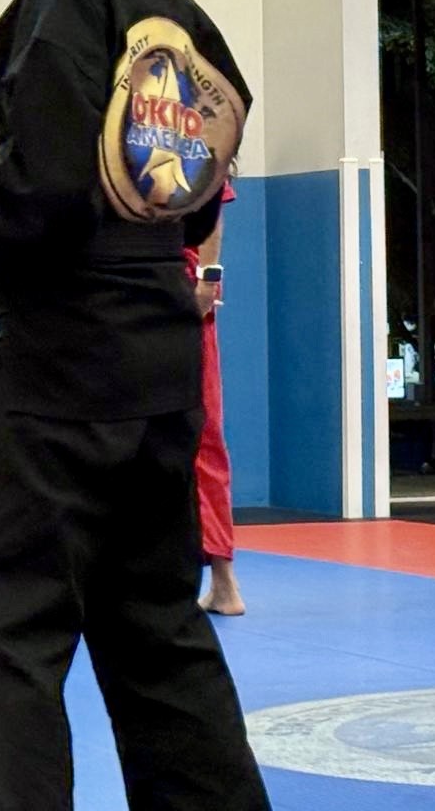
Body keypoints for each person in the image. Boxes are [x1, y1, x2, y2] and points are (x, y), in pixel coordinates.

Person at [0, 0, 270, 809]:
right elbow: (198, 191)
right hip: (158, 354)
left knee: (11, 635)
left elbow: (37, 190)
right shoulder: (188, 21)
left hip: (59, 364)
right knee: (154, 628)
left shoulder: (58, 2)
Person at [190, 182, 244, 616]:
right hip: (137, 287)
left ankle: (224, 581)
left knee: (203, 435)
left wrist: (208, 279)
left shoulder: (191, 133)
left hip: (182, 289)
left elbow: (212, 205)